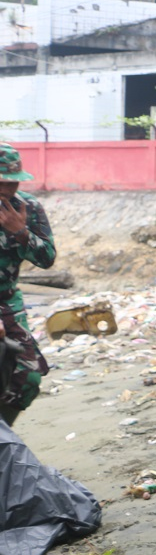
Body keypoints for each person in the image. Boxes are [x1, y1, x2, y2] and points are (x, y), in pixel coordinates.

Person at [0, 144, 54, 427]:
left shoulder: (28, 207)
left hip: (8, 300)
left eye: (13, 182)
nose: (9, 190)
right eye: (2, 183)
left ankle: (3, 439)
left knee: (27, 378)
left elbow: (47, 259)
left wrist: (21, 233)